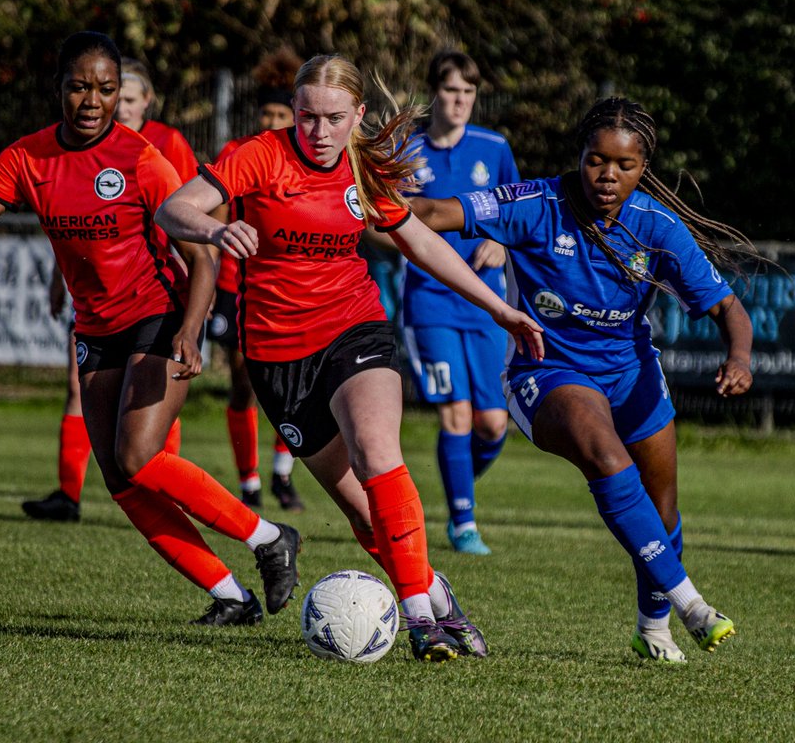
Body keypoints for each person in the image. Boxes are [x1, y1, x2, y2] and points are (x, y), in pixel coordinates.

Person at [155, 53, 545, 661]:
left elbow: (417, 239)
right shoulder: (260, 154)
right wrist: (213, 229)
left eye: (334, 119)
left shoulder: (364, 166)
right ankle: (439, 599)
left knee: (376, 449)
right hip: (279, 358)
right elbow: (173, 207)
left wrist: (499, 308)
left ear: (357, 115)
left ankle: (419, 621)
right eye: (308, 116)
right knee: (367, 520)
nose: (318, 132)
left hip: (354, 328)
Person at [0, 31, 301, 626]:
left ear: (120, 93)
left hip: (158, 315)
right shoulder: (27, 158)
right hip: (96, 330)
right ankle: (230, 595)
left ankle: (269, 537)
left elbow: (203, 254)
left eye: (105, 88)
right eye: (79, 87)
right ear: (59, 90)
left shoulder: (140, 158)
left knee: (139, 454)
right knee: (122, 482)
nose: (92, 101)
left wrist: (191, 329)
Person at [409, 96, 755, 664]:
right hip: (546, 372)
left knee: (662, 512)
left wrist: (739, 358)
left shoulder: (657, 227)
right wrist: (362, 198)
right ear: (580, 156)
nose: (608, 176)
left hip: (631, 374)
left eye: (624, 165)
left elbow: (726, 308)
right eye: (597, 160)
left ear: (644, 170)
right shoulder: (535, 203)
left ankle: (654, 626)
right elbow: (432, 213)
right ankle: (693, 605)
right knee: (603, 450)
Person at [23, 57, 195, 522]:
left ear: (142, 101)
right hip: (95, 299)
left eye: (126, 98)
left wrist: (193, 275)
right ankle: (68, 493)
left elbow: (191, 211)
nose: (116, 109)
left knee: (148, 418)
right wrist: (61, 279)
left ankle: (170, 484)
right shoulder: (83, 146)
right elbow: (79, 224)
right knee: (77, 392)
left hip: (152, 293)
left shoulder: (162, 146)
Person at [400, 51, 520, 555]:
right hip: (430, 303)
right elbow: (383, 222)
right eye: (452, 91)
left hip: (487, 302)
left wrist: (504, 240)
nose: (461, 101)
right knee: (457, 413)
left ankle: (458, 488)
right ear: (435, 94)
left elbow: (520, 207)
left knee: (494, 423)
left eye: (469, 92)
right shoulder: (407, 151)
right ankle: (463, 522)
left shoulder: (493, 148)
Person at [207, 47, 307, 511]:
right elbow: (216, 220)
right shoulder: (237, 154)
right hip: (236, 285)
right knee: (245, 382)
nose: (271, 121)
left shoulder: (304, 162)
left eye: (280, 113)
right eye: (266, 112)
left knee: (290, 386)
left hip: (287, 287)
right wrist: (206, 285)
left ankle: (283, 476)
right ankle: (249, 484)